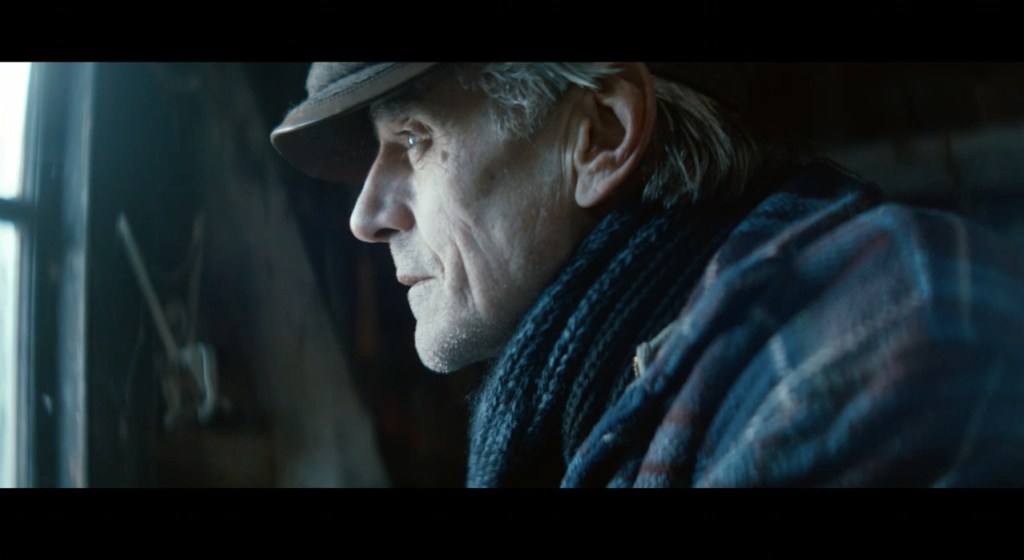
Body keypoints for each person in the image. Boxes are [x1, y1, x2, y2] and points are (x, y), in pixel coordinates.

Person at [271, 63, 1024, 487]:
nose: (366, 216)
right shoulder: (604, 396)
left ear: (603, 135)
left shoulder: (885, 330)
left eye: (414, 139)